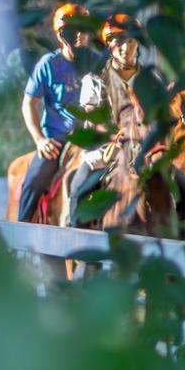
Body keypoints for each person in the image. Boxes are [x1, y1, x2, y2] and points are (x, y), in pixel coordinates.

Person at [18, 2, 89, 222]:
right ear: (61, 35)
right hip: (57, 142)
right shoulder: (48, 64)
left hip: (91, 140)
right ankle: (22, 235)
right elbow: (28, 103)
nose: (80, 35)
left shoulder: (97, 62)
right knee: (34, 181)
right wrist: (40, 140)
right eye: (74, 30)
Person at [67, 13, 139, 225]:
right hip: (105, 153)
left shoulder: (150, 80)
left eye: (130, 41)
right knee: (78, 191)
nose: (125, 48)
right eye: (118, 43)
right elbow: (90, 119)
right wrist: (114, 134)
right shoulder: (94, 80)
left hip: (144, 152)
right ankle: (79, 249)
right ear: (110, 46)